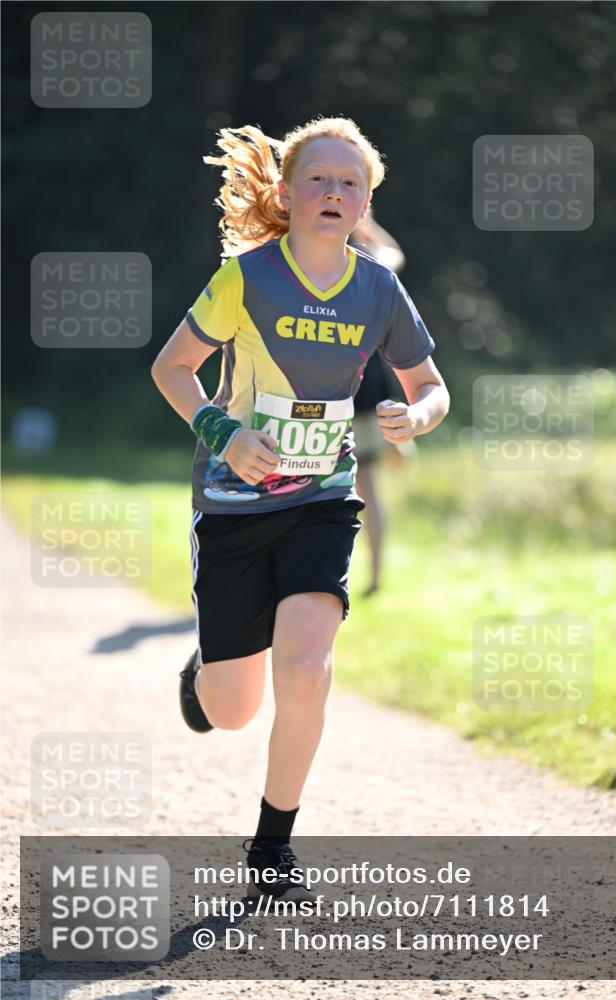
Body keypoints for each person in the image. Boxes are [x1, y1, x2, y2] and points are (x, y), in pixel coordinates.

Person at [151, 116, 450, 902]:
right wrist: (222, 429)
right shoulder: (246, 276)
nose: (334, 191)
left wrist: (413, 418)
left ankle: (273, 843)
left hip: (322, 498)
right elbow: (173, 367)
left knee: (310, 670)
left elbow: (429, 386)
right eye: (318, 178)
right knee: (231, 711)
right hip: (232, 503)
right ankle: (206, 667)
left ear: (365, 205)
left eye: (350, 183)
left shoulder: (379, 288)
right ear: (286, 194)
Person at [349, 209, 413, 596]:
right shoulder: (368, 262)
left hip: (324, 390)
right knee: (368, 485)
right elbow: (395, 254)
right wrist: (366, 224)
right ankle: (374, 575)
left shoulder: (314, 260)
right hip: (369, 387)